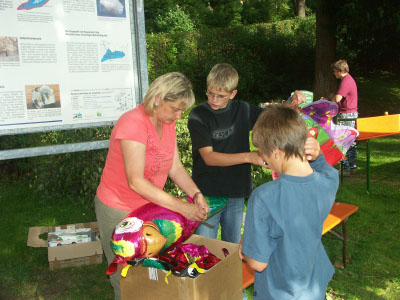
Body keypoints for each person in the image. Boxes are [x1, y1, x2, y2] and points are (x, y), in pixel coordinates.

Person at [95, 72, 209, 300]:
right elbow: (136, 182)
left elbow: (174, 166)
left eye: (182, 111)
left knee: (149, 273)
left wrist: (195, 193)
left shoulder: (166, 123)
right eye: (175, 109)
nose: (178, 117)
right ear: (158, 99)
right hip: (119, 208)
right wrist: (182, 207)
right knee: (126, 278)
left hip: (149, 207)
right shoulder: (133, 123)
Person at [188, 63, 320, 244]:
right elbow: (208, 157)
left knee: (231, 247)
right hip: (207, 193)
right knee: (205, 248)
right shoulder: (198, 115)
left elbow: (274, 116)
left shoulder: (242, 109)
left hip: (236, 191)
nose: (214, 100)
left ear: (233, 94)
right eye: (210, 93)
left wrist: (291, 101)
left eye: (221, 96)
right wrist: (249, 156)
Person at [239, 104, 339, 300]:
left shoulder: (264, 197)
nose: (264, 160)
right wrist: (317, 156)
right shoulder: (328, 182)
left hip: (279, 292)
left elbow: (258, 262)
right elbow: (326, 170)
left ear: (276, 151)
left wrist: (244, 248)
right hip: (313, 290)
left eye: (263, 153)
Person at [329, 59, 358, 176]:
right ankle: (353, 166)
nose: (334, 73)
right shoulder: (349, 79)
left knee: (342, 141)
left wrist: (331, 96)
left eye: (335, 71)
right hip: (352, 114)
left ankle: (345, 169)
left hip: (346, 115)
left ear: (341, 71)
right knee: (351, 142)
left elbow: (337, 99)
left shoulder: (346, 81)